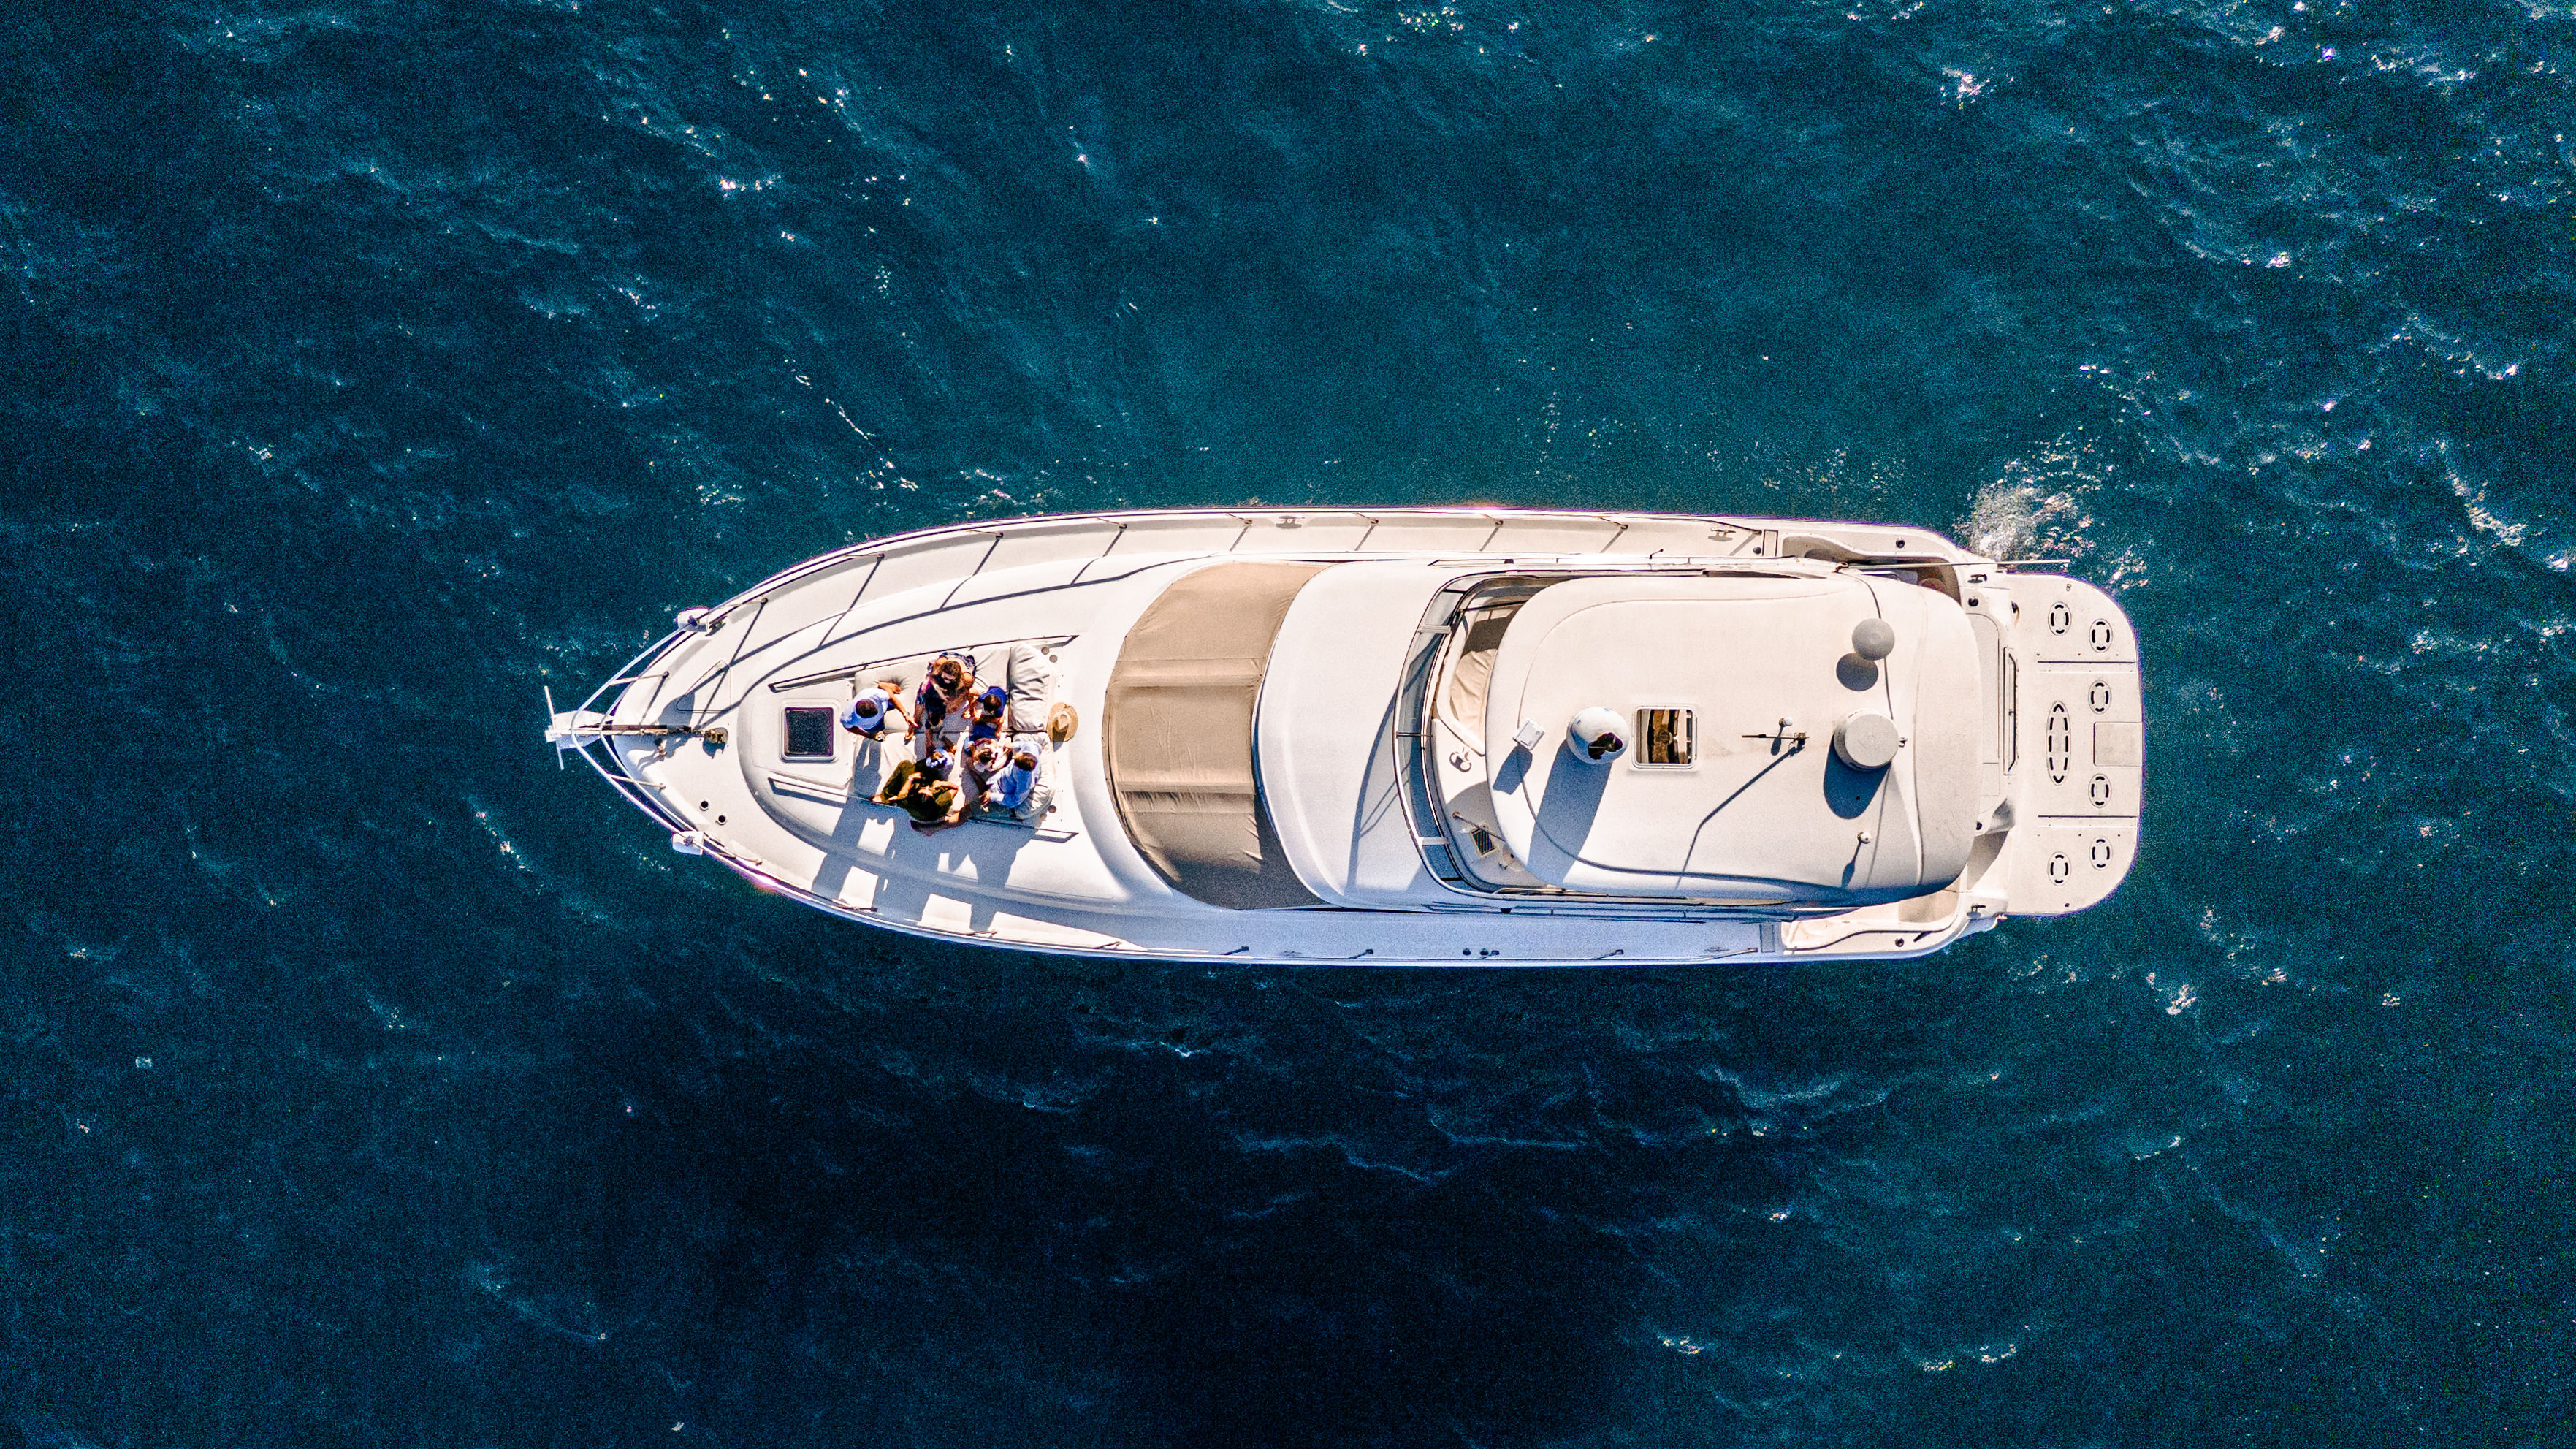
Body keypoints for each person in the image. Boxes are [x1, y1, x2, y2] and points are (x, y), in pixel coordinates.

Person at [872, 745, 962, 830]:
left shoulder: (908, 802)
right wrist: (941, 784)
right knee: (930, 772)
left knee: (905, 765)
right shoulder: (942, 800)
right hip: (934, 813)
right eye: (928, 791)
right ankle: (930, 764)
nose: (927, 788)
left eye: (924, 790)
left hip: (919, 814)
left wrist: (911, 779)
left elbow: (900, 797)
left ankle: (884, 796)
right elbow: (955, 788)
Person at [912, 655, 976, 734]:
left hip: (964, 663)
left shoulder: (965, 679)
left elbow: (972, 692)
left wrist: (970, 708)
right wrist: (916, 718)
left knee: (953, 707)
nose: (947, 681)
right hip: (947, 658)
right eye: (945, 678)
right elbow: (930, 679)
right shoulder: (939, 668)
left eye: (950, 680)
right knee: (925, 690)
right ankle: (915, 720)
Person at [840, 678, 912, 740]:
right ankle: (879, 730)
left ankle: (883, 686)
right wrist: (868, 735)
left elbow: (892, 698)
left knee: (896, 695)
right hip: (873, 726)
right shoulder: (847, 719)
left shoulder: (872, 694)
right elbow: (850, 728)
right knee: (877, 732)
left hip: (885, 705)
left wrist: (905, 715)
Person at [986, 746, 1042, 815]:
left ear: (1019, 768)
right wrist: (1013, 745)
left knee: (975, 807)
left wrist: (992, 797)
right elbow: (1035, 745)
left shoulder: (1024, 783)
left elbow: (1015, 801)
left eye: (1015, 760)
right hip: (997, 778)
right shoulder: (1032, 749)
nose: (1013, 757)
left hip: (1001, 794)